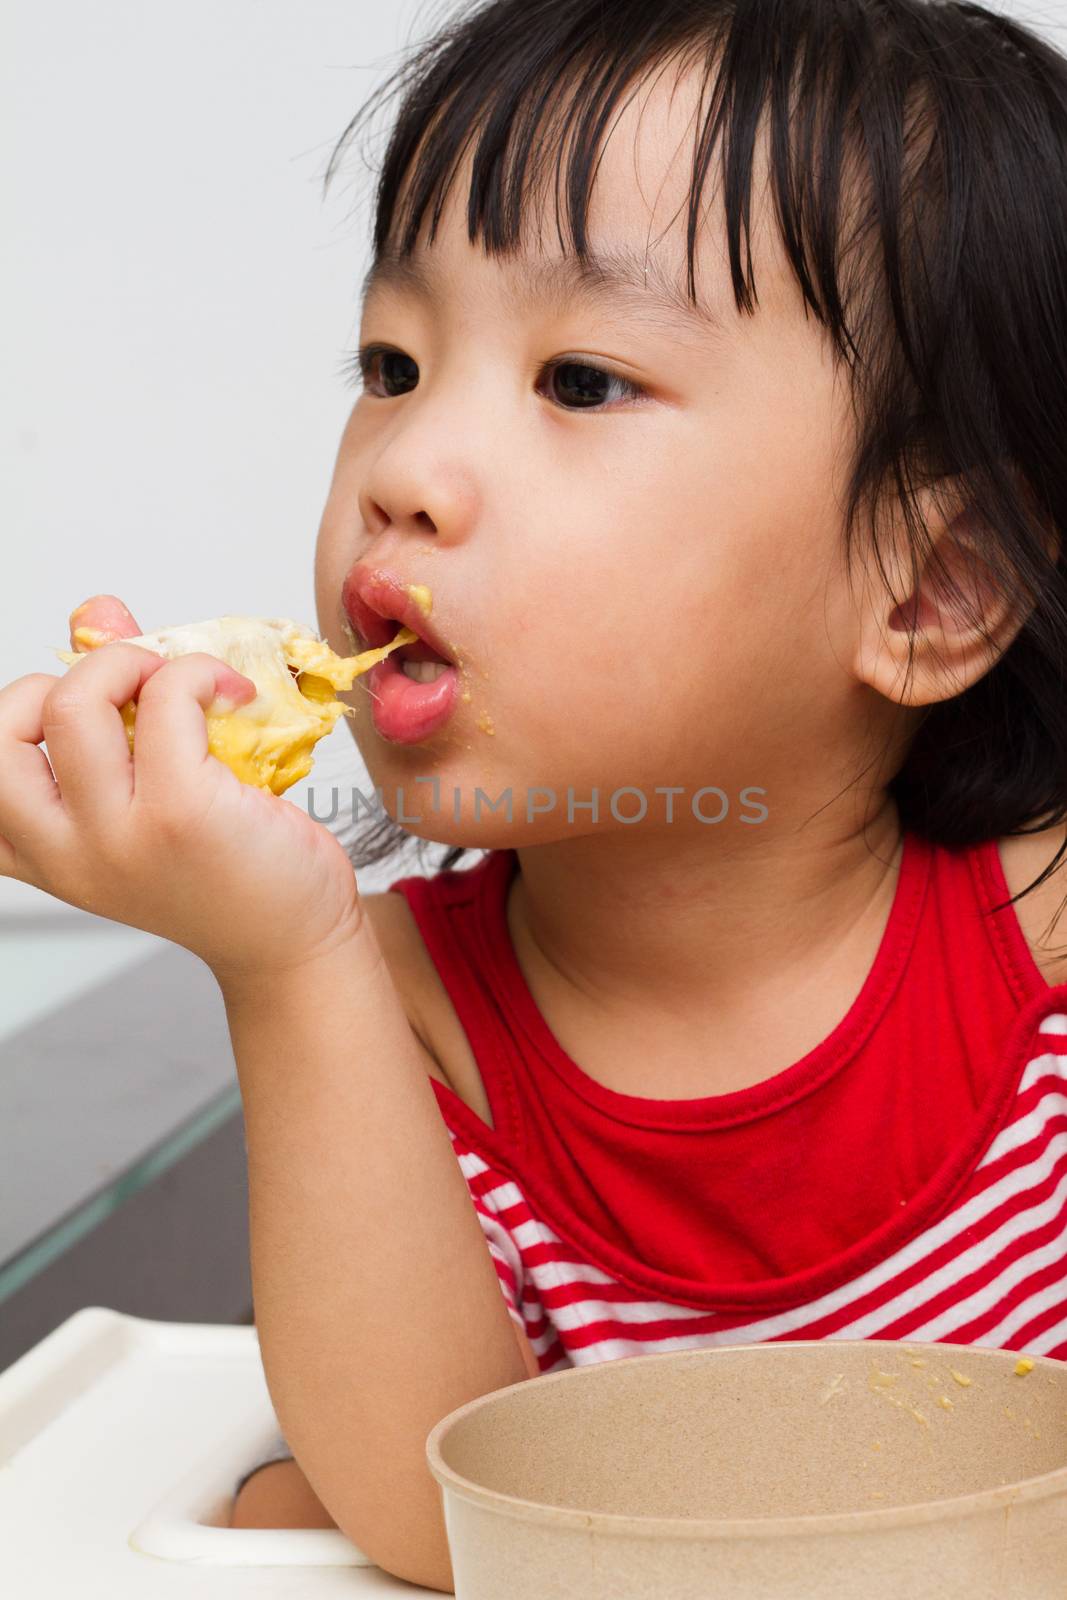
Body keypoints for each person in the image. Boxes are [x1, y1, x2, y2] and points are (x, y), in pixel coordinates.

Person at [5, 0, 1067, 1589]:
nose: (405, 464)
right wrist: (283, 956)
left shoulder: (1045, 939)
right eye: (392, 362)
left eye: (578, 379)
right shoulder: (385, 1005)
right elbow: (442, 1526)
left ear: (929, 595)